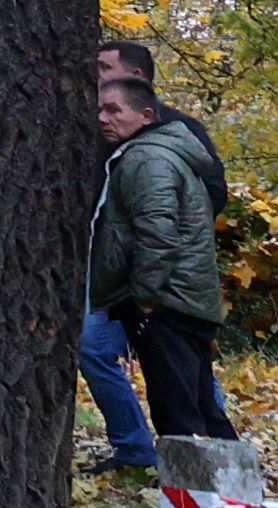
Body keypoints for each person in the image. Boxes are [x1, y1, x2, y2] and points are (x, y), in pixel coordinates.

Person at [90, 74, 237, 445]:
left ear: (146, 115)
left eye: (113, 110)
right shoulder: (156, 153)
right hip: (183, 299)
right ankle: (234, 498)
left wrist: (145, 300)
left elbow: (158, 234)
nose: (104, 119)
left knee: (180, 421)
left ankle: (200, 500)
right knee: (202, 411)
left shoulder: (146, 158)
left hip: (169, 303)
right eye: (99, 111)